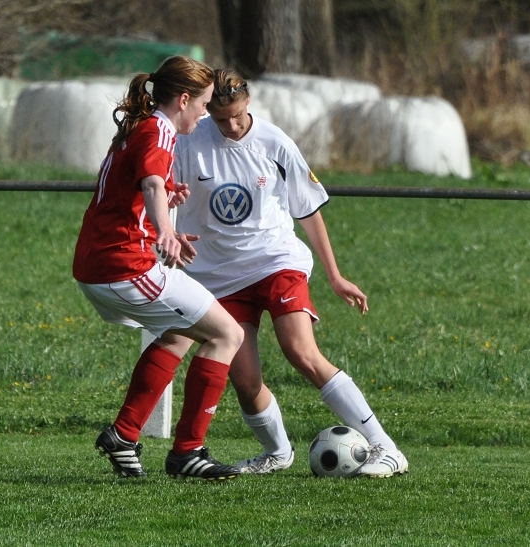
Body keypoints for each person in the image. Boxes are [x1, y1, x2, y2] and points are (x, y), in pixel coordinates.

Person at [173, 68, 408, 478]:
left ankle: (385, 447)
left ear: (250, 104)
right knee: (245, 380)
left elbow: (307, 210)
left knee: (301, 351)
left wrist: (335, 276)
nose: (231, 125)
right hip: (220, 275)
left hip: (276, 261)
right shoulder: (189, 142)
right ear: (206, 108)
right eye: (221, 118)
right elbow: (161, 194)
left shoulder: (275, 142)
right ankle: (278, 453)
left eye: (239, 115)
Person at [72, 56, 244, 480]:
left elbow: (132, 191)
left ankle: (124, 435)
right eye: (203, 104)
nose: (204, 113)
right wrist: (165, 231)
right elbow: (148, 181)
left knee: (181, 333)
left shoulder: (137, 126)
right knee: (227, 334)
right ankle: (187, 452)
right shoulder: (159, 130)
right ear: (183, 100)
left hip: (99, 263)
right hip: (122, 266)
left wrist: (162, 210)